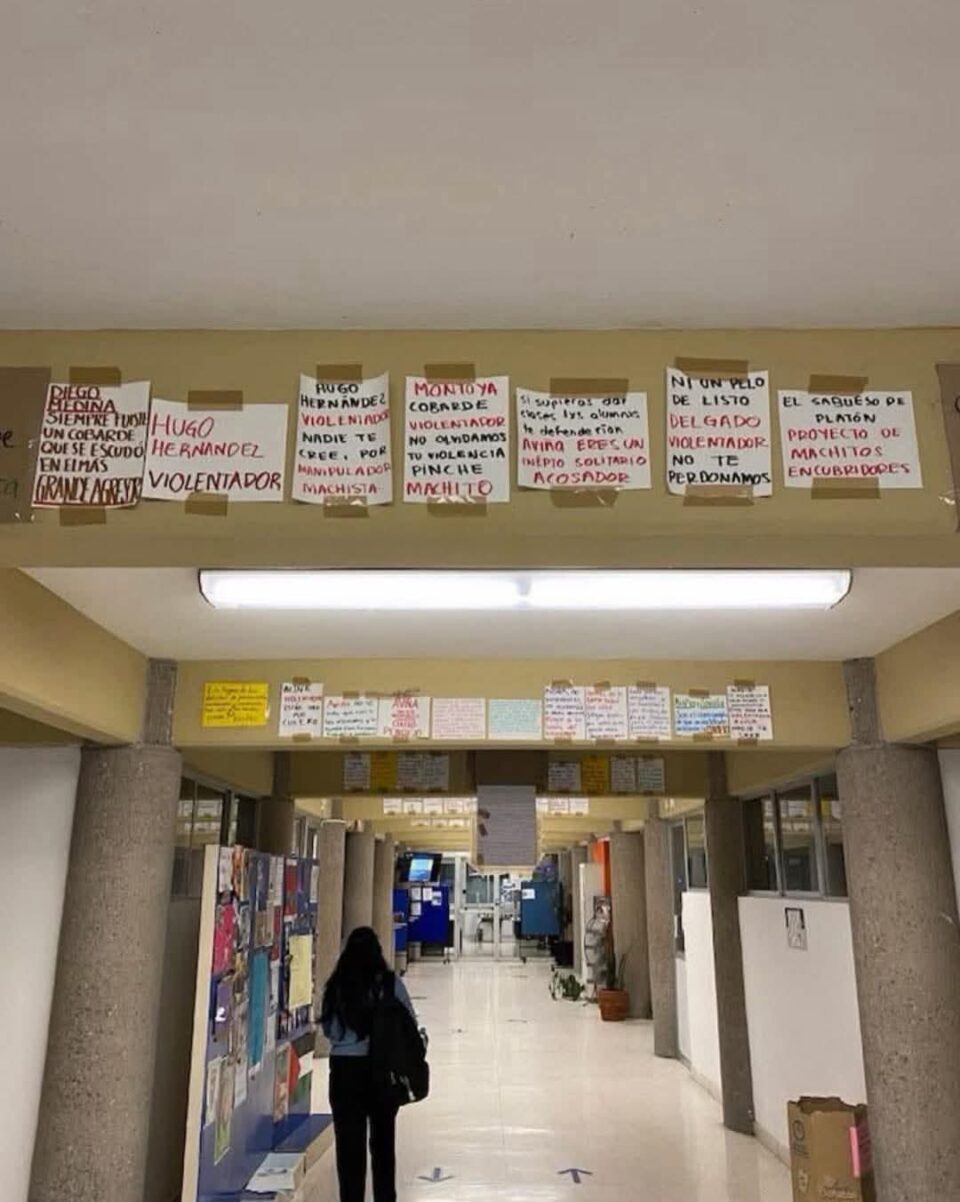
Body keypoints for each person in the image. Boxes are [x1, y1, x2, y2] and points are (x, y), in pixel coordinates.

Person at [321, 926, 420, 1202]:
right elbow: (409, 1023)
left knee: (348, 1147)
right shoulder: (389, 984)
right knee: (383, 1144)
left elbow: (329, 1029)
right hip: (382, 1070)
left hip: (344, 1072)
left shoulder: (337, 985)